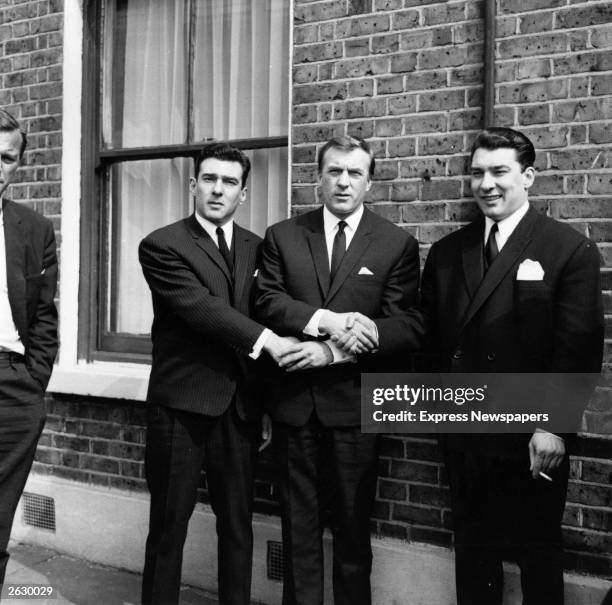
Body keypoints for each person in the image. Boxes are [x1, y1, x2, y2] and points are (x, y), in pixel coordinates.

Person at [410, 127, 604, 605]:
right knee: (474, 554)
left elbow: (577, 348)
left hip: (532, 437)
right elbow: (429, 338)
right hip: (466, 425)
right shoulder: (449, 253)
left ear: (529, 177)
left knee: (537, 555)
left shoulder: (567, 249)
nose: (487, 184)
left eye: (500, 172)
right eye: (477, 173)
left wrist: (553, 427)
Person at [255, 135, 420, 605]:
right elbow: (267, 301)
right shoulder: (284, 236)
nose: (343, 182)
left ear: (370, 181)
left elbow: (406, 326)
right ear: (318, 177)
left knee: (352, 532)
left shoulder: (395, 244)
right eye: (334, 171)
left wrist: (331, 352)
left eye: (354, 173)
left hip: (356, 411)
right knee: (297, 531)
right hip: (293, 409)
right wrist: (325, 322)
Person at [139, 143, 293, 605]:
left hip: (240, 408)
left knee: (238, 525)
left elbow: (270, 307)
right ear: (192, 185)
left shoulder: (260, 248)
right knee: (169, 526)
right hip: (181, 407)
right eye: (209, 179)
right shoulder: (163, 245)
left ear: (243, 193)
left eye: (229, 182)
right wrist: (269, 341)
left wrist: (264, 403)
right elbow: (203, 310)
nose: (217, 190)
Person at [0, 108, 58, 581]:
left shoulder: (34, 229)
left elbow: (43, 318)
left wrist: (33, 384)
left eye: (5, 158)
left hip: (13, 388)